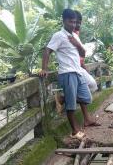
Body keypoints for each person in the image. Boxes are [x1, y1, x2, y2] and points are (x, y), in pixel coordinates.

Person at [39, 9, 98, 140]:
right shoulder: (59, 35)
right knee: (71, 104)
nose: (73, 24)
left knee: (86, 98)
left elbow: (83, 54)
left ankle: (62, 98)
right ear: (64, 21)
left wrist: (77, 44)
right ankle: (74, 131)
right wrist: (44, 69)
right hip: (67, 73)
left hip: (78, 72)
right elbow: (47, 51)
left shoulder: (75, 36)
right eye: (70, 21)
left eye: (75, 22)